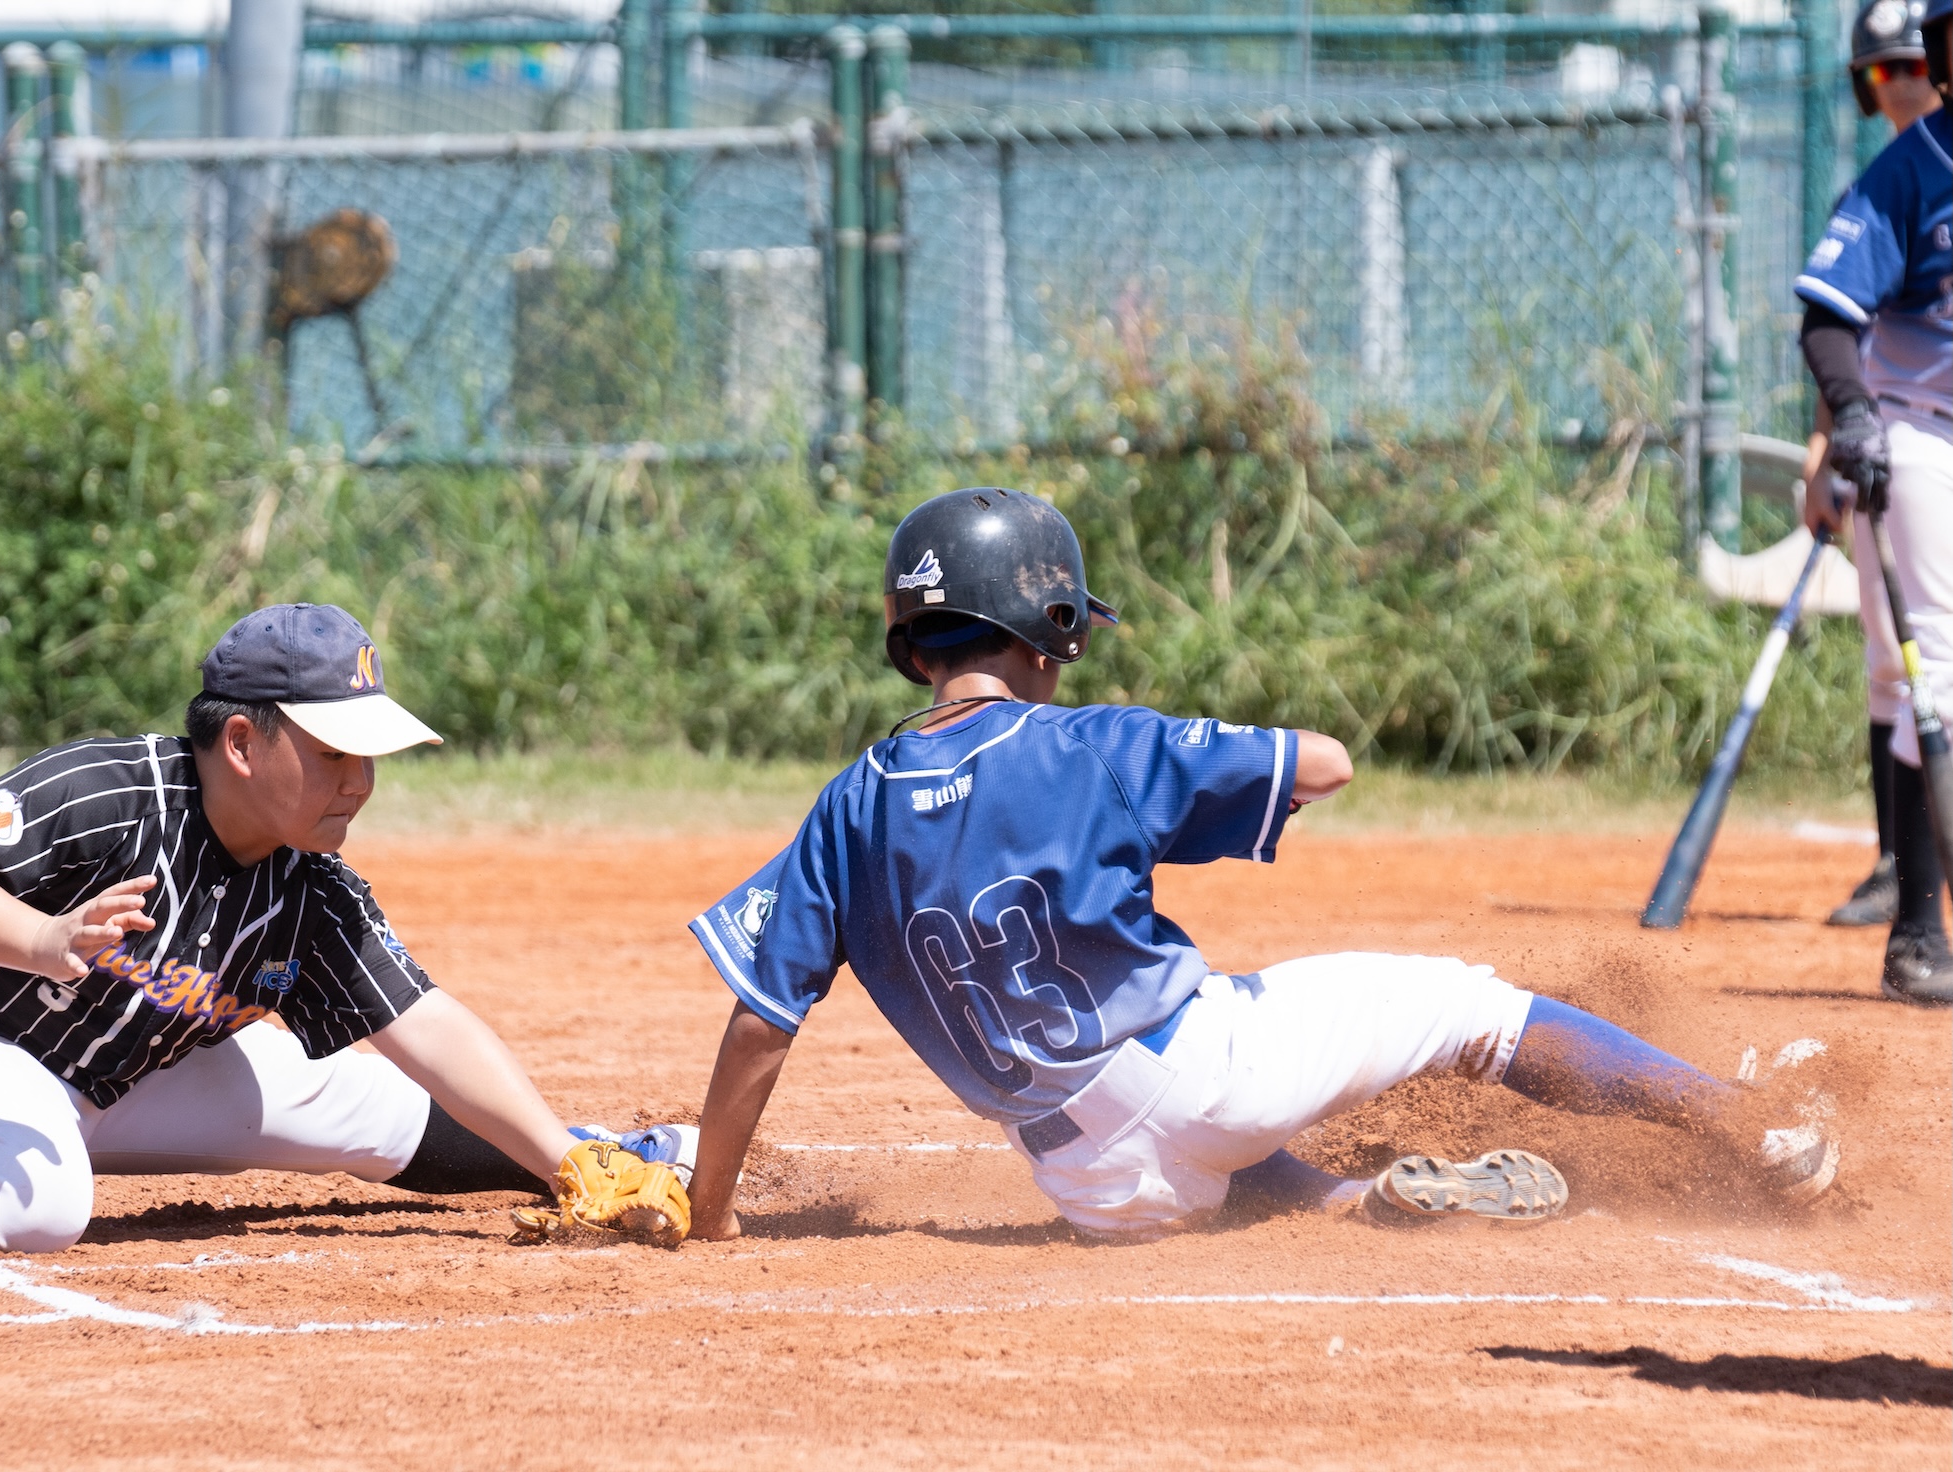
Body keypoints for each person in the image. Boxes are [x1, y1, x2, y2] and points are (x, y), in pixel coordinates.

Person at [680, 489, 1840, 1242]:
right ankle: (1752, 1127)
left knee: (1205, 1149)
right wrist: (1198, 747)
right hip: (1199, 1073)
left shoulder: (849, 801)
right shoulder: (1088, 742)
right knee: (1468, 1010)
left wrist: (712, 1210)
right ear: (1049, 630)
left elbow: (758, 1024)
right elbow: (1324, 765)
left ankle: (1353, 1204)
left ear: (907, 640)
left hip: (1087, 1186)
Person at [0, 604, 691, 1252]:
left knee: (355, 1098)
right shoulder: (115, 793)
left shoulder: (311, 884)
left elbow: (426, 1024)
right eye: (331, 753)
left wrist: (560, 1160)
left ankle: (585, 1155)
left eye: (368, 756)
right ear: (240, 740)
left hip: (91, 1069)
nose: (358, 782)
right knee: (36, 1200)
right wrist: (40, 939)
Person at [1795, 0, 1953, 1004]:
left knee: (1915, 680)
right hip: (1915, 430)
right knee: (1929, 665)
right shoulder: (1912, 167)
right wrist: (1847, 415)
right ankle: (1917, 932)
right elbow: (1825, 313)